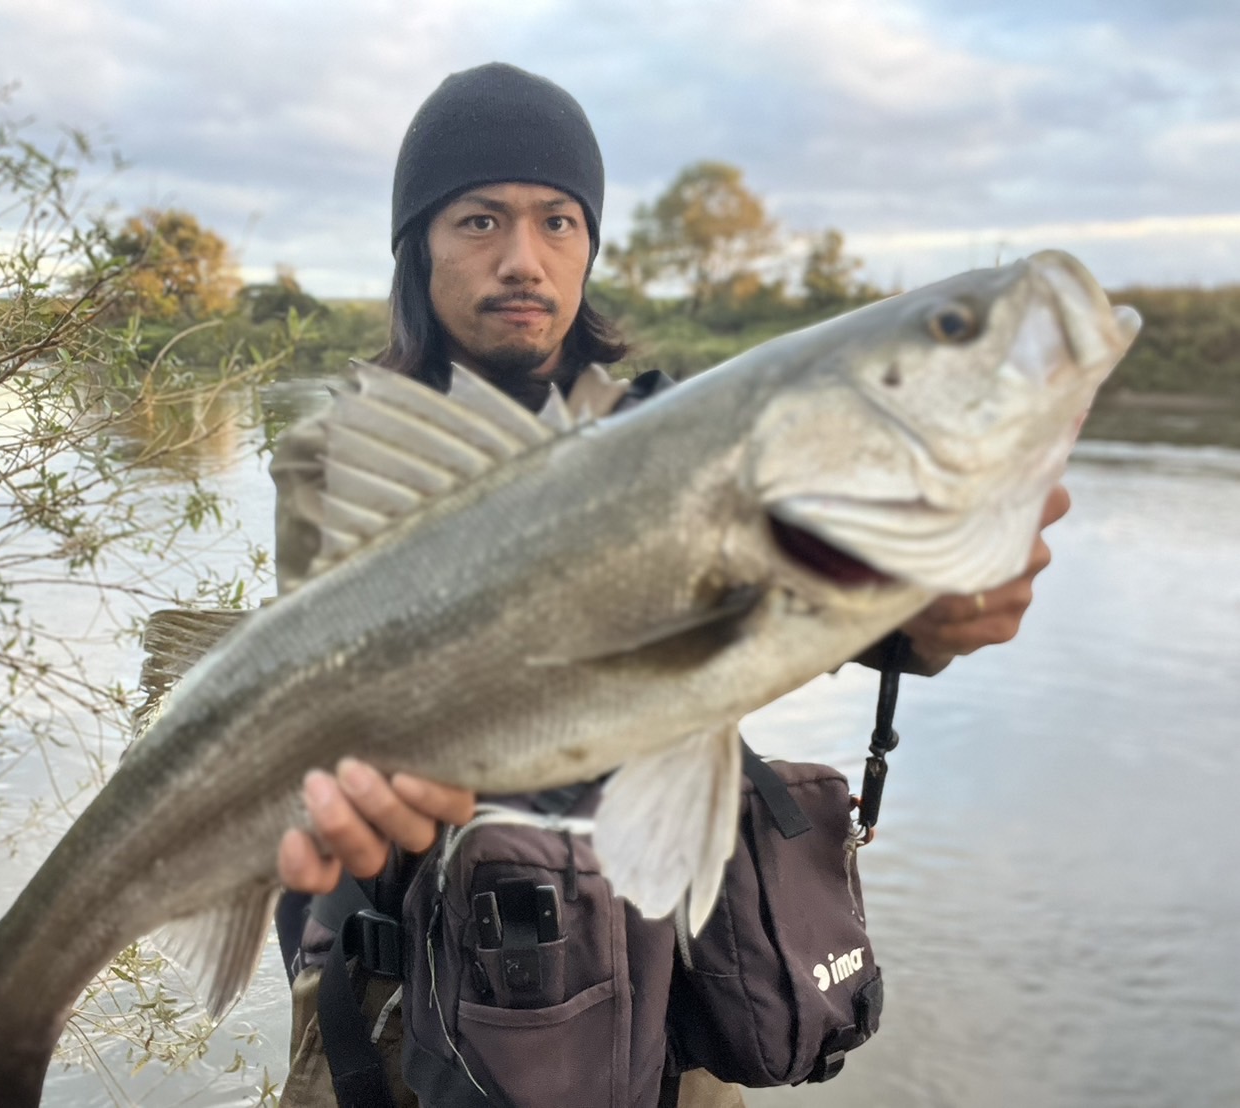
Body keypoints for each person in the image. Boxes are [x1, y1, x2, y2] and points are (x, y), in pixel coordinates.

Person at [268, 62, 1069, 1107]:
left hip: (660, 993)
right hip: (413, 1009)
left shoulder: (665, 423)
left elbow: (771, 573)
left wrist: (922, 618)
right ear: (416, 243)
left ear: (589, 244)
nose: (523, 259)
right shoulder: (341, 453)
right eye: (477, 220)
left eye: (558, 221)